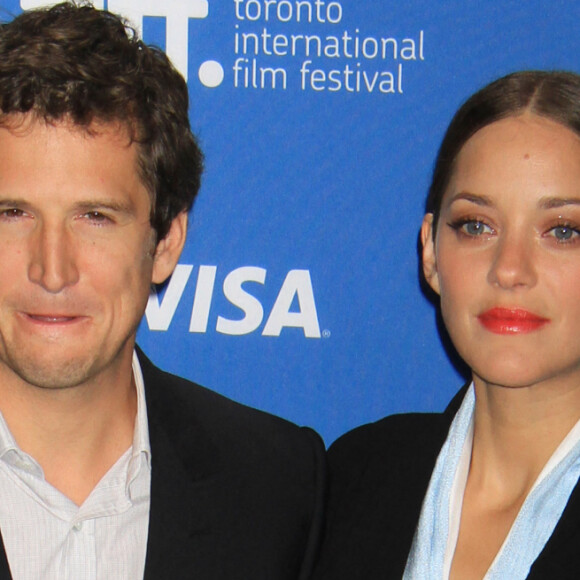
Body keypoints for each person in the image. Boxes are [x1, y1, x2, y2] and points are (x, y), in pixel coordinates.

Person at [0, 2, 324, 579]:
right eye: (12, 213)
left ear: (167, 241)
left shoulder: (277, 489)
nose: (52, 270)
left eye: (94, 217)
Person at [313, 70, 580, 580]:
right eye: (476, 226)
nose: (510, 269)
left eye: (562, 231)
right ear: (431, 251)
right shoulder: (355, 474)